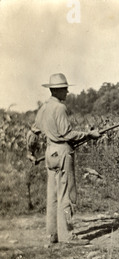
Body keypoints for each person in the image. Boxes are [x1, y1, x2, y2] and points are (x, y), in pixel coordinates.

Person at [27, 73, 101, 245]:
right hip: (62, 153)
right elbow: (67, 134)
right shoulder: (59, 108)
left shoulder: (44, 108)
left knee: (52, 195)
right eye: (65, 89)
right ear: (58, 90)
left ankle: (52, 235)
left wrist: (29, 153)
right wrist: (89, 134)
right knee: (66, 195)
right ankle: (67, 236)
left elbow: (32, 133)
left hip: (49, 153)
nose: (67, 92)